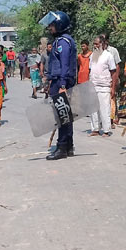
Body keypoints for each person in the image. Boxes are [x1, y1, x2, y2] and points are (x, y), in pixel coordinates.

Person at [40, 11, 77, 160]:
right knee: (65, 116)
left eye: (52, 25)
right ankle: (68, 146)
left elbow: (65, 65)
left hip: (62, 82)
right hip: (57, 81)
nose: (50, 27)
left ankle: (62, 147)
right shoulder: (61, 40)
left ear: (60, 25)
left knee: (61, 116)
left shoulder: (63, 42)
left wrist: (62, 84)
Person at [89, 35, 117, 137]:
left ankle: (106, 130)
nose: (95, 46)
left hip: (104, 86)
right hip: (93, 85)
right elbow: (90, 70)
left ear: (102, 44)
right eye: (94, 44)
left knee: (104, 109)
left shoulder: (108, 56)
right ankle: (95, 129)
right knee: (93, 109)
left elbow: (113, 72)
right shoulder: (92, 56)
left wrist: (113, 87)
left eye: (97, 44)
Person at [103, 34, 121, 128]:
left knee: (112, 99)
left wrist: (116, 78)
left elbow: (117, 65)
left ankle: (111, 120)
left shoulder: (113, 51)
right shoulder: (98, 51)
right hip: (102, 79)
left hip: (111, 78)